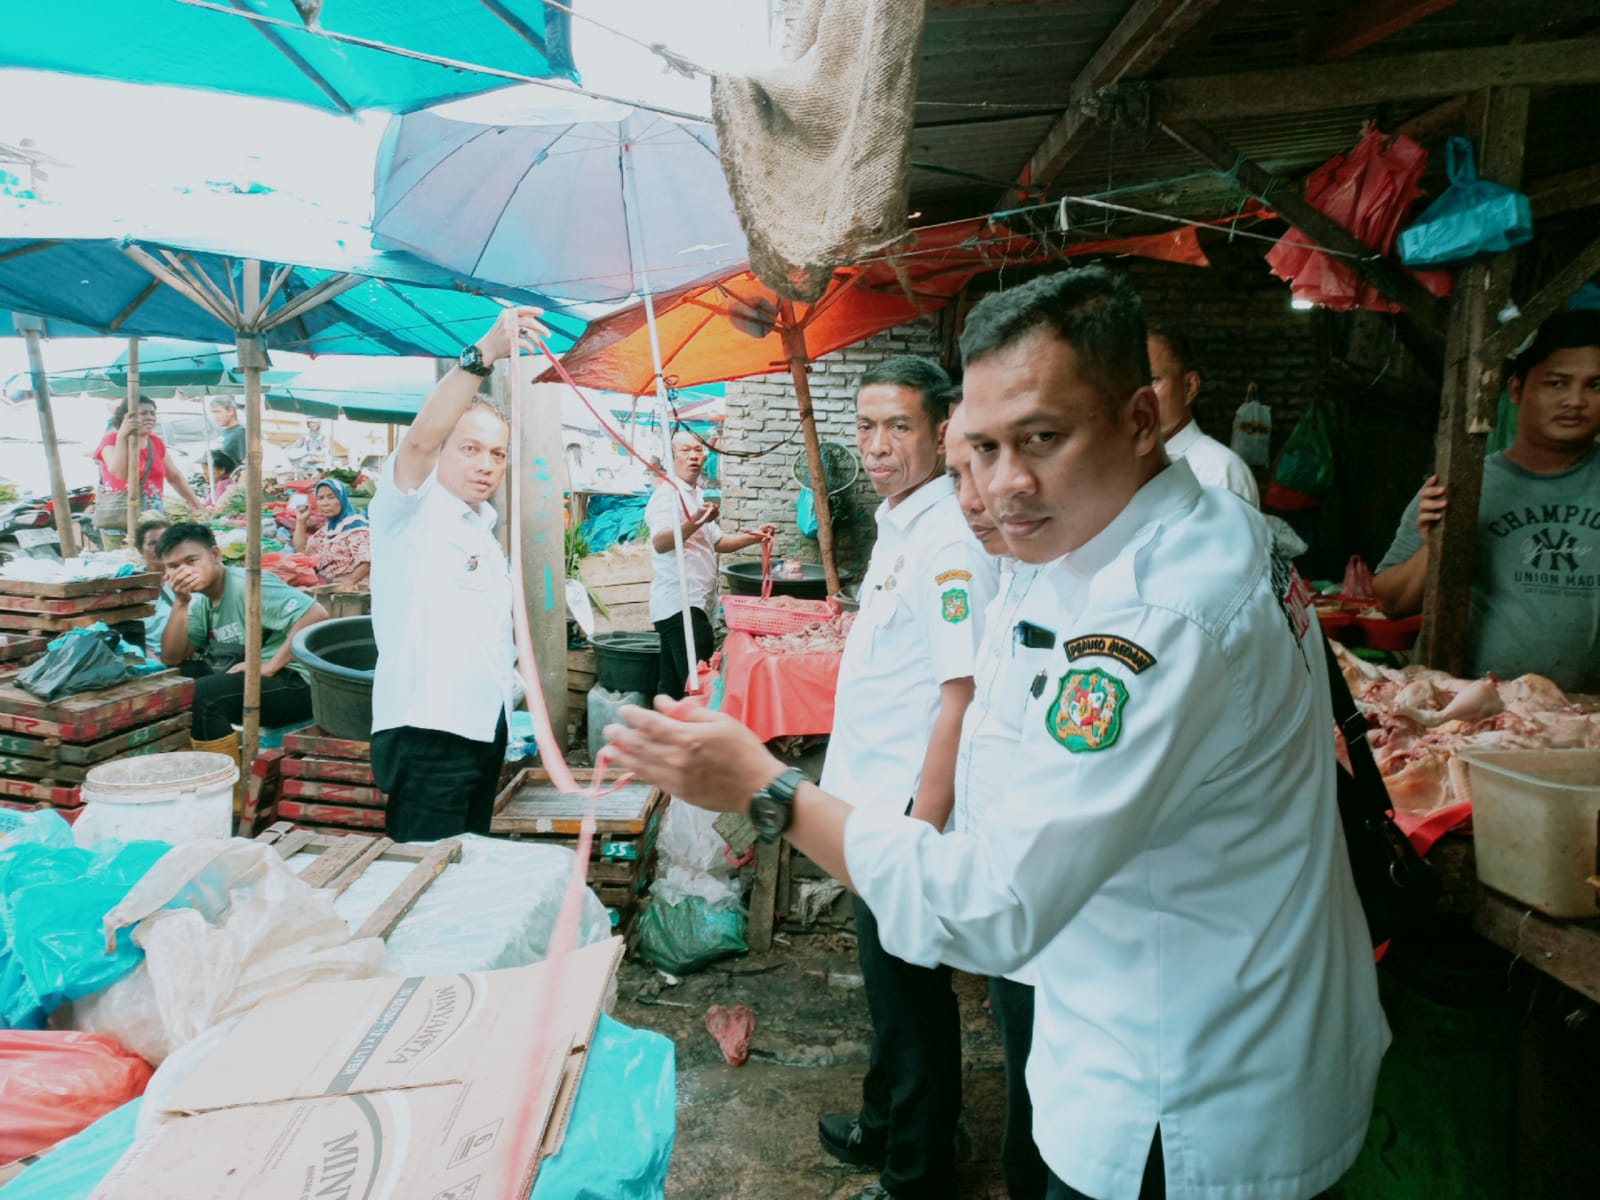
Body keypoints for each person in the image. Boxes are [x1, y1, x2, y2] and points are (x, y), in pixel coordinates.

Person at [606, 268, 1385, 1200]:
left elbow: (994, 908)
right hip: (1225, 1017)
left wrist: (767, 788)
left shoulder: (1150, 614)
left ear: (1143, 419)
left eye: (1043, 439)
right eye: (981, 447)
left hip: (1180, 1095)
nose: (1005, 484)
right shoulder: (1184, 530)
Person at [814, 356, 998, 1200]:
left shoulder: (950, 541)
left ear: (939, 431)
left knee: (913, 1002)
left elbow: (959, 698)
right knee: (886, 994)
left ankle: (918, 1173)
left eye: (899, 427)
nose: (878, 446)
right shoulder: (901, 523)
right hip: (866, 805)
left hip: (903, 814)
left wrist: (923, 829)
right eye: (865, 426)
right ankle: (883, 1122)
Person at [368, 307, 546, 842]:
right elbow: (419, 441)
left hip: (482, 730)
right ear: (443, 450)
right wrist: (483, 355)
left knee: (462, 876)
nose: (486, 464)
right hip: (428, 733)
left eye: (497, 453)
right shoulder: (407, 511)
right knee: (423, 881)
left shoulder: (483, 529)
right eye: (469, 448)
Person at [1373, 310, 1600, 691]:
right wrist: (1435, 546)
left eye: (1595, 385)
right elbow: (1391, 604)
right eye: (1557, 383)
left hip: (1587, 722)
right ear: (1516, 390)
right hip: (1478, 714)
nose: (1575, 401)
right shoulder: (1462, 484)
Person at [944, 399, 1048, 1200]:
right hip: (1012, 911)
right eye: (961, 470)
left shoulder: (1102, 597)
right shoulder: (1012, 575)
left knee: (1047, 1123)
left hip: (1054, 917)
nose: (979, 493)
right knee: (1023, 1087)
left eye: (999, 456)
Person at [157, 523, 328, 753]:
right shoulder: (200, 603)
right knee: (173, 681)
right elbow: (172, 657)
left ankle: (226, 781)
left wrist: (269, 666)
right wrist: (180, 602)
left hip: (296, 684)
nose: (185, 571)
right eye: (174, 566)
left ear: (215, 555)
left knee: (203, 696)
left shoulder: (248, 585)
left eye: (191, 561)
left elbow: (316, 614)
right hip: (246, 677)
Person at [647, 430, 774, 698]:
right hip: (680, 605)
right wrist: (695, 521)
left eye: (698, 449)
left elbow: (718, 542)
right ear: (672, 458)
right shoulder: (667, 495)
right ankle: (694, 737)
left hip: (693, 605)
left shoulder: (695, 496)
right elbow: (660, 542)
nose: (693, 456)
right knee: (698, 689)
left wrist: (756, 536)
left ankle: (662, 736)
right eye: (685, 451)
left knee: (671, 688)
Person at [1146, 326, 1259, 506]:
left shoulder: (1220, 470)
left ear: (1189, 387)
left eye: (1152, 381)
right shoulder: (1124, 468)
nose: (1139, 397)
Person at [94, 396, 207, 544]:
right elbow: (119, 473)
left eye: (152, 413)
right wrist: (122, 437)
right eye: (143, 413)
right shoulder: (111, 440)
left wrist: (196, 505)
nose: (150, 418)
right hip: (120, 521)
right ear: (126, 417)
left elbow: (174, 477)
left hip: (152, 519)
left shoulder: (155, 442)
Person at [292, 477, 372, 588]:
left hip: (352, 591)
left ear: (342, 499)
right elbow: (302, 551)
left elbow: (367, 561)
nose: (325, 503)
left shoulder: (357, 527)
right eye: (320, 498)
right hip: (327, 586)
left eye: (331, 497)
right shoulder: (328, 530)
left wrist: (349, 583)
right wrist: (301, 521)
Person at [135, 515, 175, 661]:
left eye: (165, 541)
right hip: (145, 658)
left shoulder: (188, 579)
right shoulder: (131, 585)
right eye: (152, 543)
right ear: (140, 549)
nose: (159, 547)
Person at [209, 397, 246, 466]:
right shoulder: (222, 432)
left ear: (230, 411)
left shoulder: (241, 432)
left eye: (218, 412)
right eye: (213, 412)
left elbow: (245, 462)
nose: (215, 416)